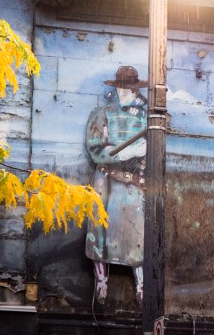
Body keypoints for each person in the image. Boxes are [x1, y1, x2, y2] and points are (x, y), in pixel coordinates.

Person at [85, 65, 148, 303]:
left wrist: (143, 152)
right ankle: (101, 283)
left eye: (128, 86)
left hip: (133, 184)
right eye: (121, 86)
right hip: (105, 182)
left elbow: (154, 147)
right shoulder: (101, 114)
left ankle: (141, 286)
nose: (124, 91)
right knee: (99, 234)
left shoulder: (146, 116)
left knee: (136, 236)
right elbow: (94, 147)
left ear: (135, 88)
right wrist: (122, 152)